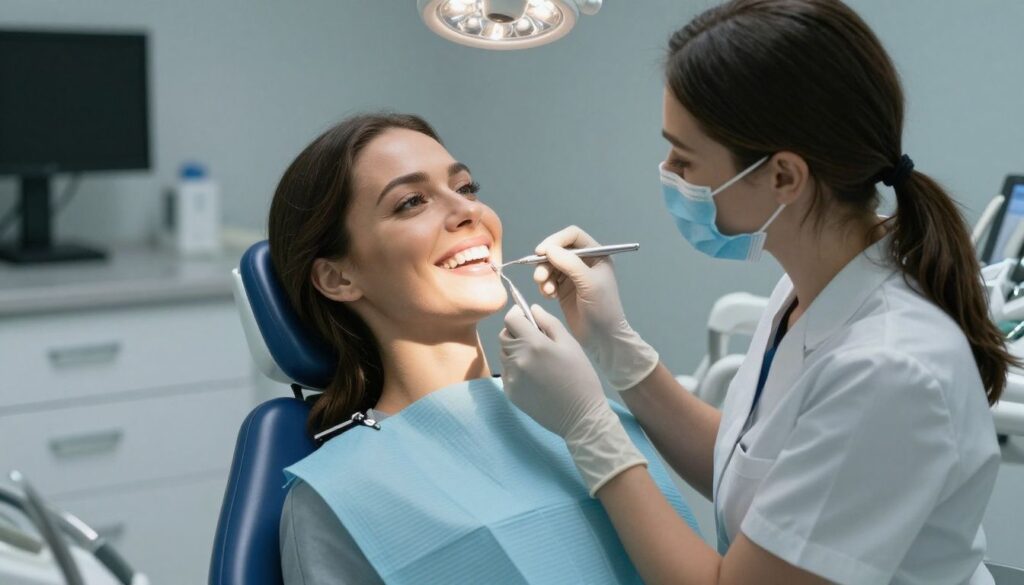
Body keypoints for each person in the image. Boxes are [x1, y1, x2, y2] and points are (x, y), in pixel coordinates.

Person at [498, 1, 1012, 584]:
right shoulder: (814, 284)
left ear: (784, 177)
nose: (667, 171)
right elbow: (750, 465)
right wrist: (617, 346)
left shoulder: (890, 370)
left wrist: (589, 424)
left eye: (684, 158)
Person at [268, 112, 699, 585]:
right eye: (412, 201)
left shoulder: (595, 417)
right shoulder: (339, 496)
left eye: (467, 188)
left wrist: (614, 356)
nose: (469, 211)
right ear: (339, 277)